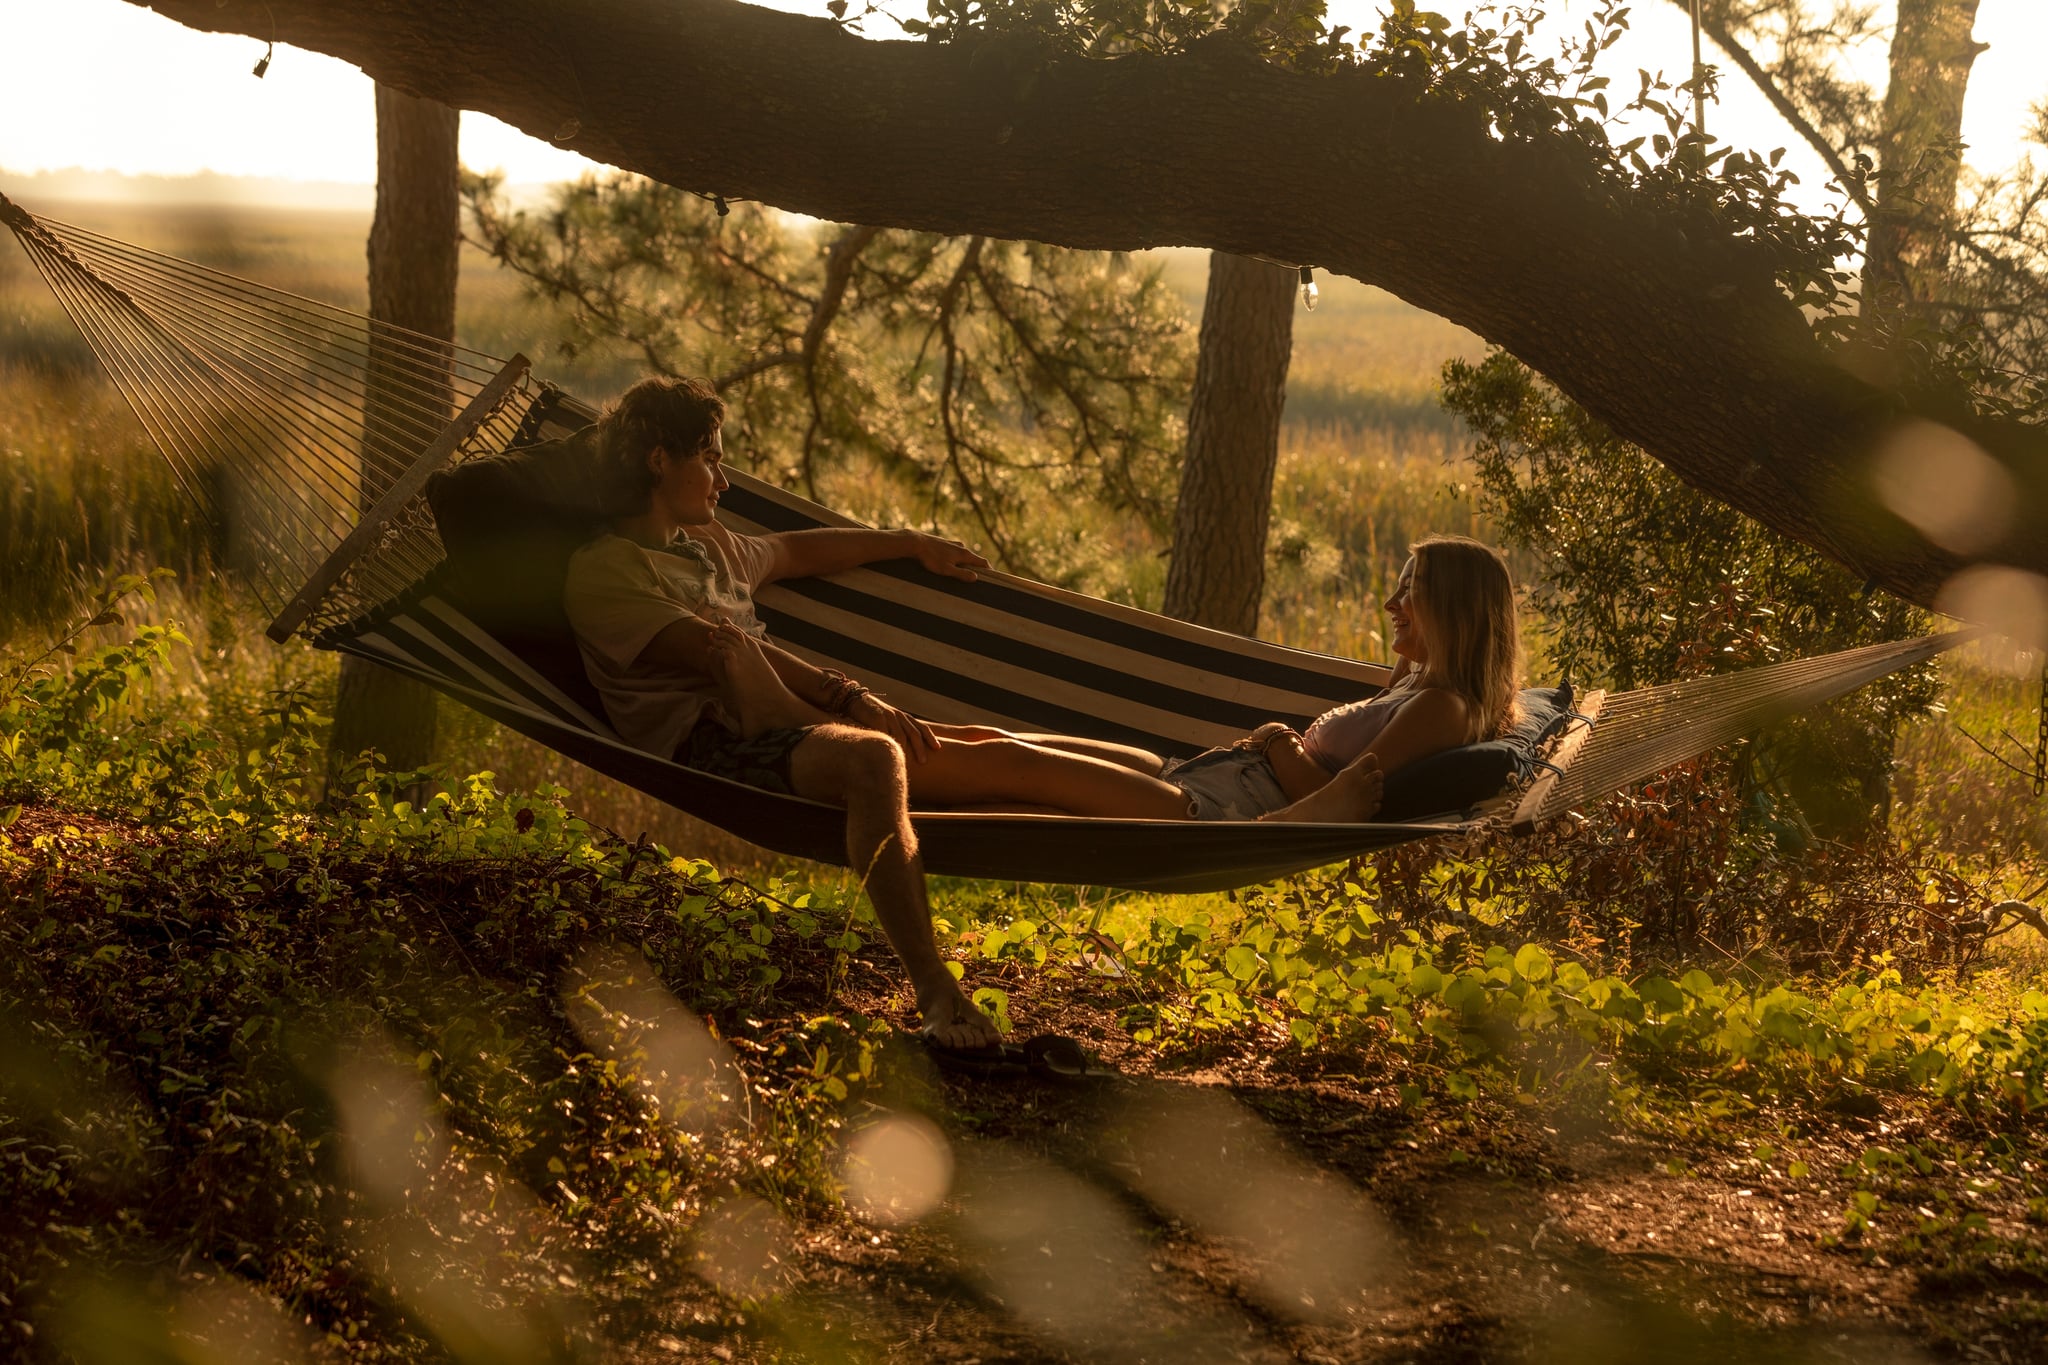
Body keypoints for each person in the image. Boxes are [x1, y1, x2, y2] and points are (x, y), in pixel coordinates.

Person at [562, 377, 1510, 1044]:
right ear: (659, 461)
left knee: (994, 738)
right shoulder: (610, 571)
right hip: (727, 740)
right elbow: (723, 657)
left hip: (786, 716)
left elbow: (796, 554)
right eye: (713, 461)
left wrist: (909, 542)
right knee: (895, 760)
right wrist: (855, 696)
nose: (725, 481)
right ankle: (933, 988)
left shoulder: (711, 548)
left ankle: (1013, 785)